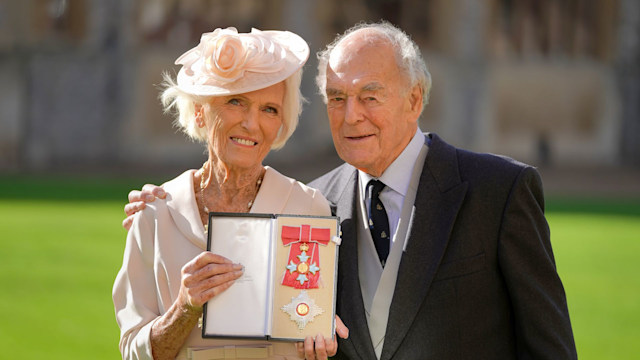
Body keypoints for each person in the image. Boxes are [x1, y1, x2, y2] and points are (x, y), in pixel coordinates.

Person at [125, 22, 577, 359]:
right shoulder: (318, 203)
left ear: (415, 99)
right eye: (337, 98)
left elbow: (549, 346)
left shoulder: (499, 191)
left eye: (370, 96)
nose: (350, 116)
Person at [113, 27, 347, 360]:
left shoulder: (308, 208)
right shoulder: (154, 214)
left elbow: (319, 328)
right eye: (236, 102)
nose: (252, 124)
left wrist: (319, 340)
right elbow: (133, 352)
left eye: (269, 109)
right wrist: (184, 308)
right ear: (199, 111)